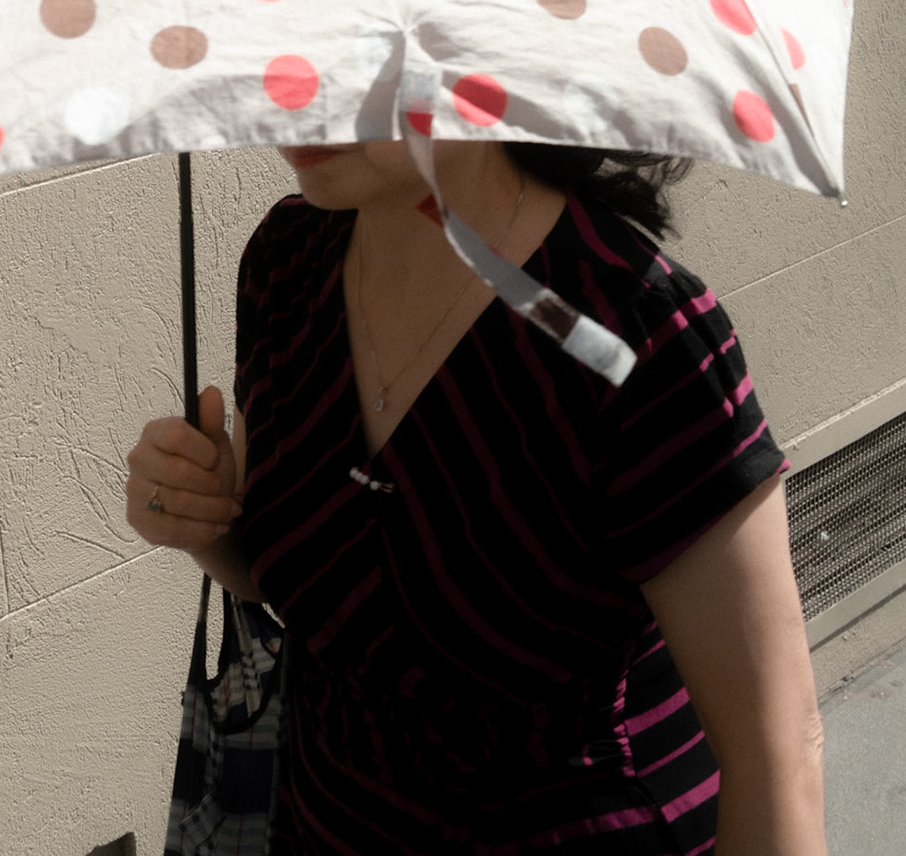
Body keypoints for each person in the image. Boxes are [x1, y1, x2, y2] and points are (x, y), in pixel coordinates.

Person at [125, 138, 826, 855]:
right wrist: (200, 521)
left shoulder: (633, 334)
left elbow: (776, 757)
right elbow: (305, 589)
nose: (296, 96)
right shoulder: (289, 259)